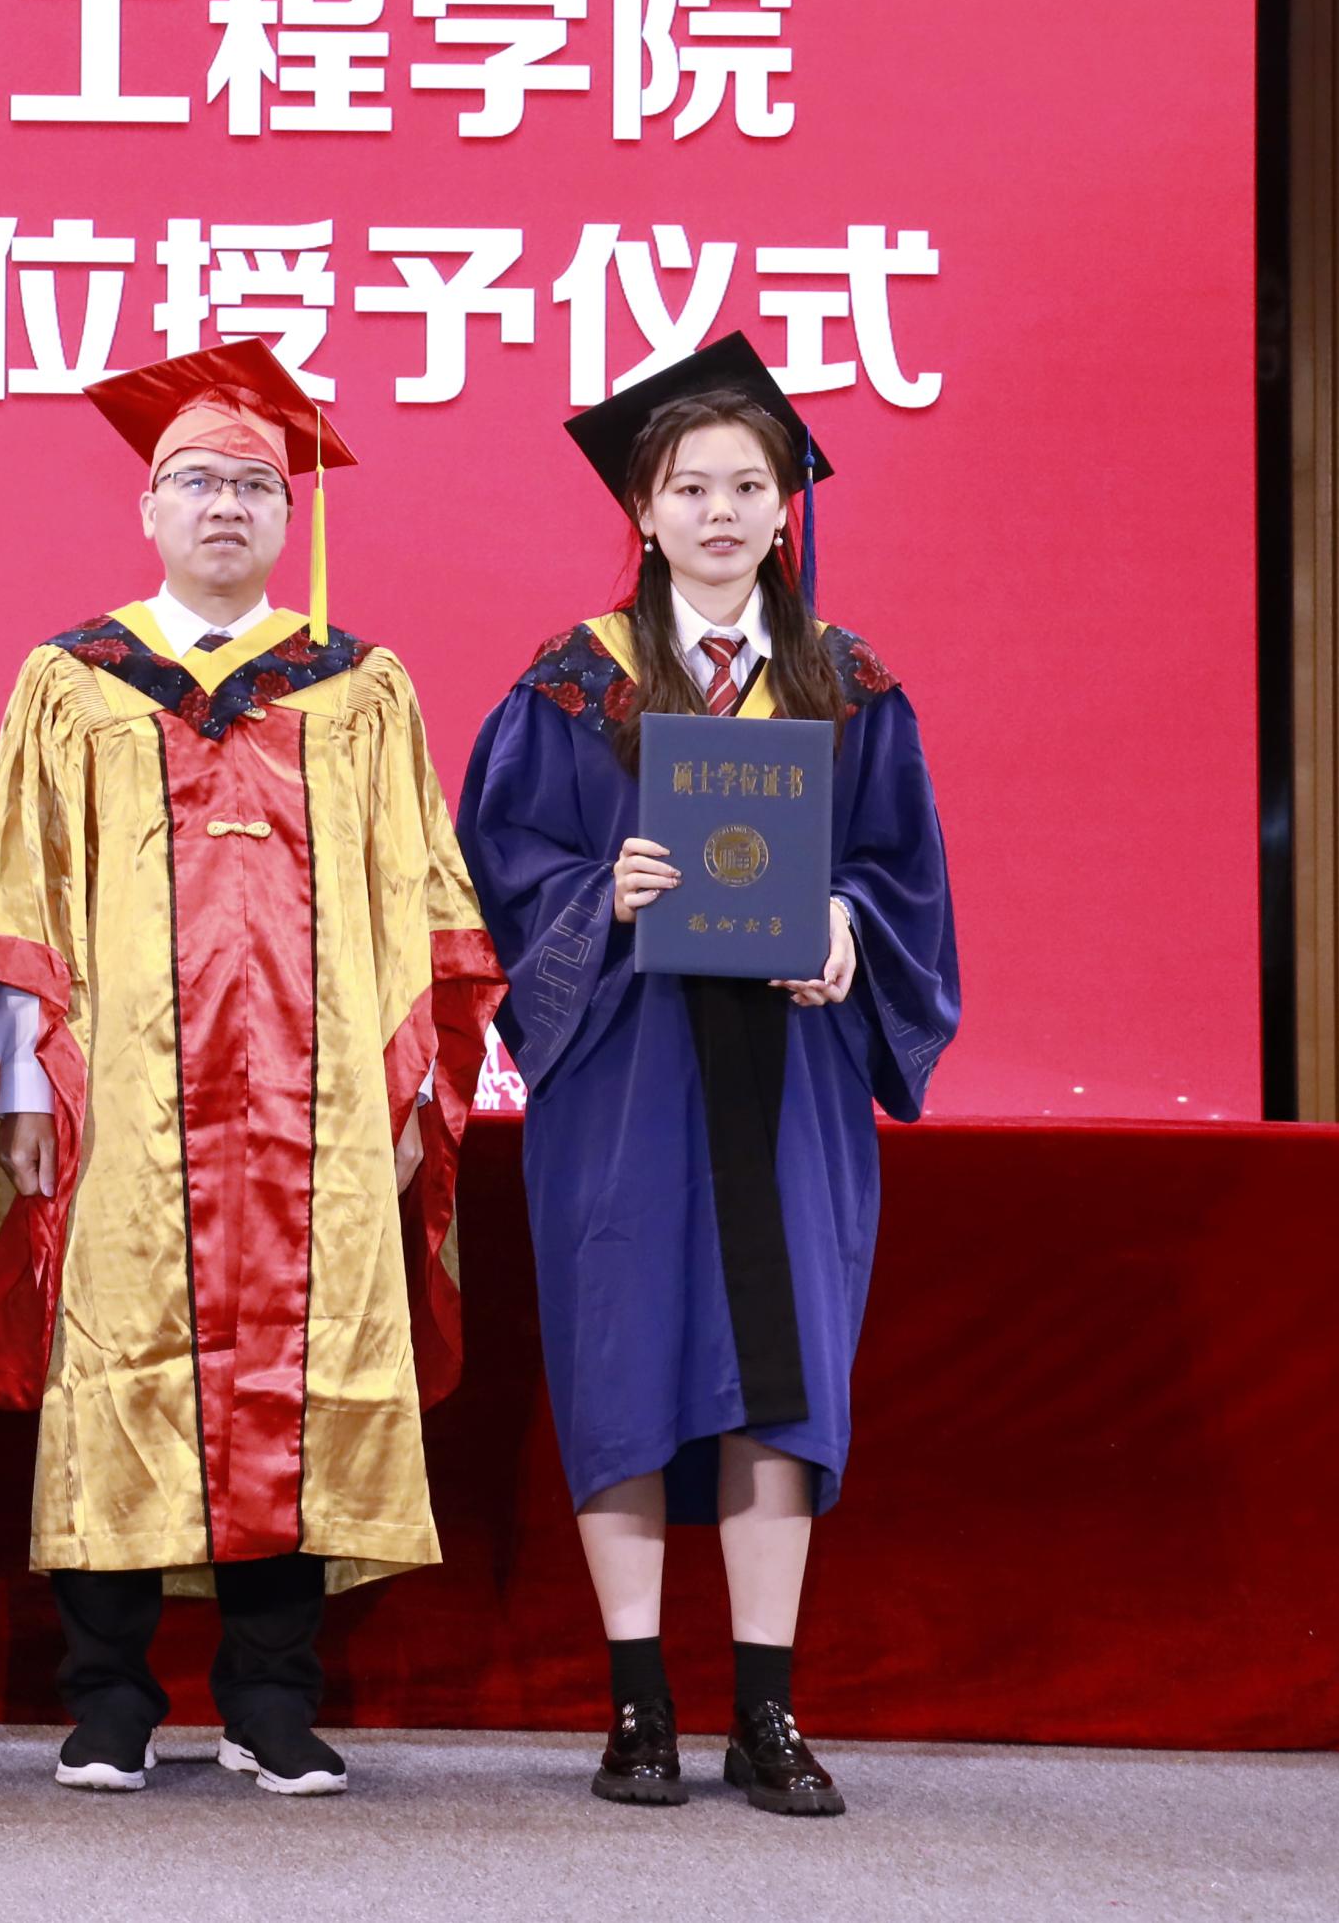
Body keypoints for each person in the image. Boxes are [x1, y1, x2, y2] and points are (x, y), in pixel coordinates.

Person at [0, 339, 500, 1800]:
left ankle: (270, 1697)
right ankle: (110, 1696)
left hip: (320, 1108)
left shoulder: (359, 688)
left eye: (255, 483)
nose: (227, 504)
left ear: (289, 514)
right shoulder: (75, 683)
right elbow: (21, 887)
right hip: (123, 1100)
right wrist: (21, 1083)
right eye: (197, 480)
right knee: (122, 1357)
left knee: (298, 1371)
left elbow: (419, 896)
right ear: (149, 507)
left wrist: (408, 1093)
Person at [454, 333, 957, 1820]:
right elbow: (496, 866)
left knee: (776, 1372)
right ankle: (636, 1704)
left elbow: (904, 874)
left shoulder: (847, 685)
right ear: (644, 506)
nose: (722, 511)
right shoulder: (572, 686)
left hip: (795, 1071)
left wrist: (848, 927)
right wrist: (596, 893)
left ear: (786, 504)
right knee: (623, 1354)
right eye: (691, 486)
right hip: (629, 1068)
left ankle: (765, 1707)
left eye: (749, 484)